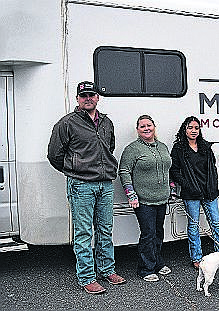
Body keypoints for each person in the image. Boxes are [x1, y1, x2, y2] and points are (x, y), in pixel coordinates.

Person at [47, 81, 126, 294]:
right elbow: (54, 155)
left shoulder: (106, 122)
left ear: (97, 98)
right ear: (77, 99)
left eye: (91, 95)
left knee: (105, 230)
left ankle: (107, 270)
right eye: (84, 96)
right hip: (81, 185)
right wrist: (75, 170)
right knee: (83, 233)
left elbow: (109, 147)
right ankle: (87, 277)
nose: (88, 98)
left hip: (105, 184)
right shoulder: (67, 124)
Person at [118, 115, 172, 282]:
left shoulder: (162, 146)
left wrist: (172, 187)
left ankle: (157, 263)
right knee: (148, 233)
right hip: (143, 200)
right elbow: (124, 171)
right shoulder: (132, 149)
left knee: (158, 232)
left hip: (162, 198)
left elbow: (166, 168)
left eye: (149, 125)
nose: (146, 128)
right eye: (142, 126)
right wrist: (131, 193)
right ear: (138, 130)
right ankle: (145, 269)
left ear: (154, 127)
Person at [169, 116, 219, 268]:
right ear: (185, 129)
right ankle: (197, 258)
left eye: (196, 128)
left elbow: (212, 168)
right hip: (191, 194)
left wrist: (213, 185)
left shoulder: (206, 147)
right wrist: (186, 185)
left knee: (215, 223)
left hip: (209, 192)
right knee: (194, 225)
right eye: (190, 128)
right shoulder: (179, 148)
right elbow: (174, 170)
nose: (193, 131)